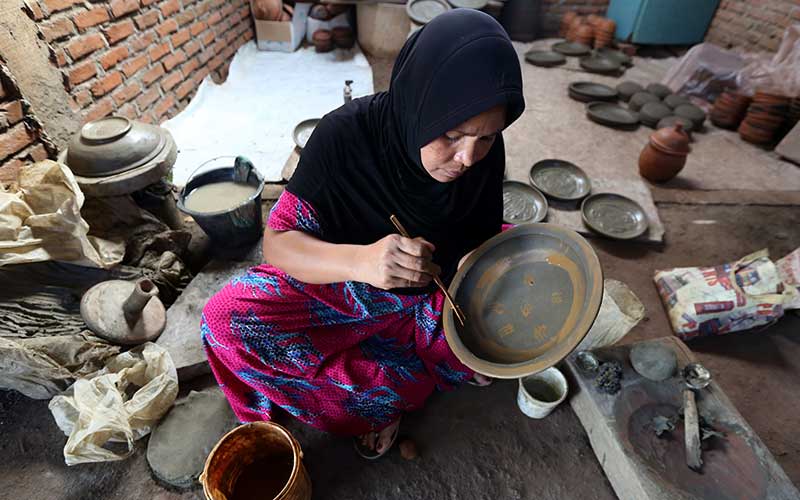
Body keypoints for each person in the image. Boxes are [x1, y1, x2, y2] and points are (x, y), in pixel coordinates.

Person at [201, 9, 525, 459]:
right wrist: (364, 262)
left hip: (430, 293)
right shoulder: (344, 136)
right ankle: (384, 384)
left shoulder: (484, 153)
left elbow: (479, 245)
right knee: (225, 321)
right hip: (341, 284)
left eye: (486, 138)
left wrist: (479, 324)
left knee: (506, 305)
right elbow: (279, 243)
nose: (469, 157)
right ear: (418, 103)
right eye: (452, 133)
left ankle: (391, 379)